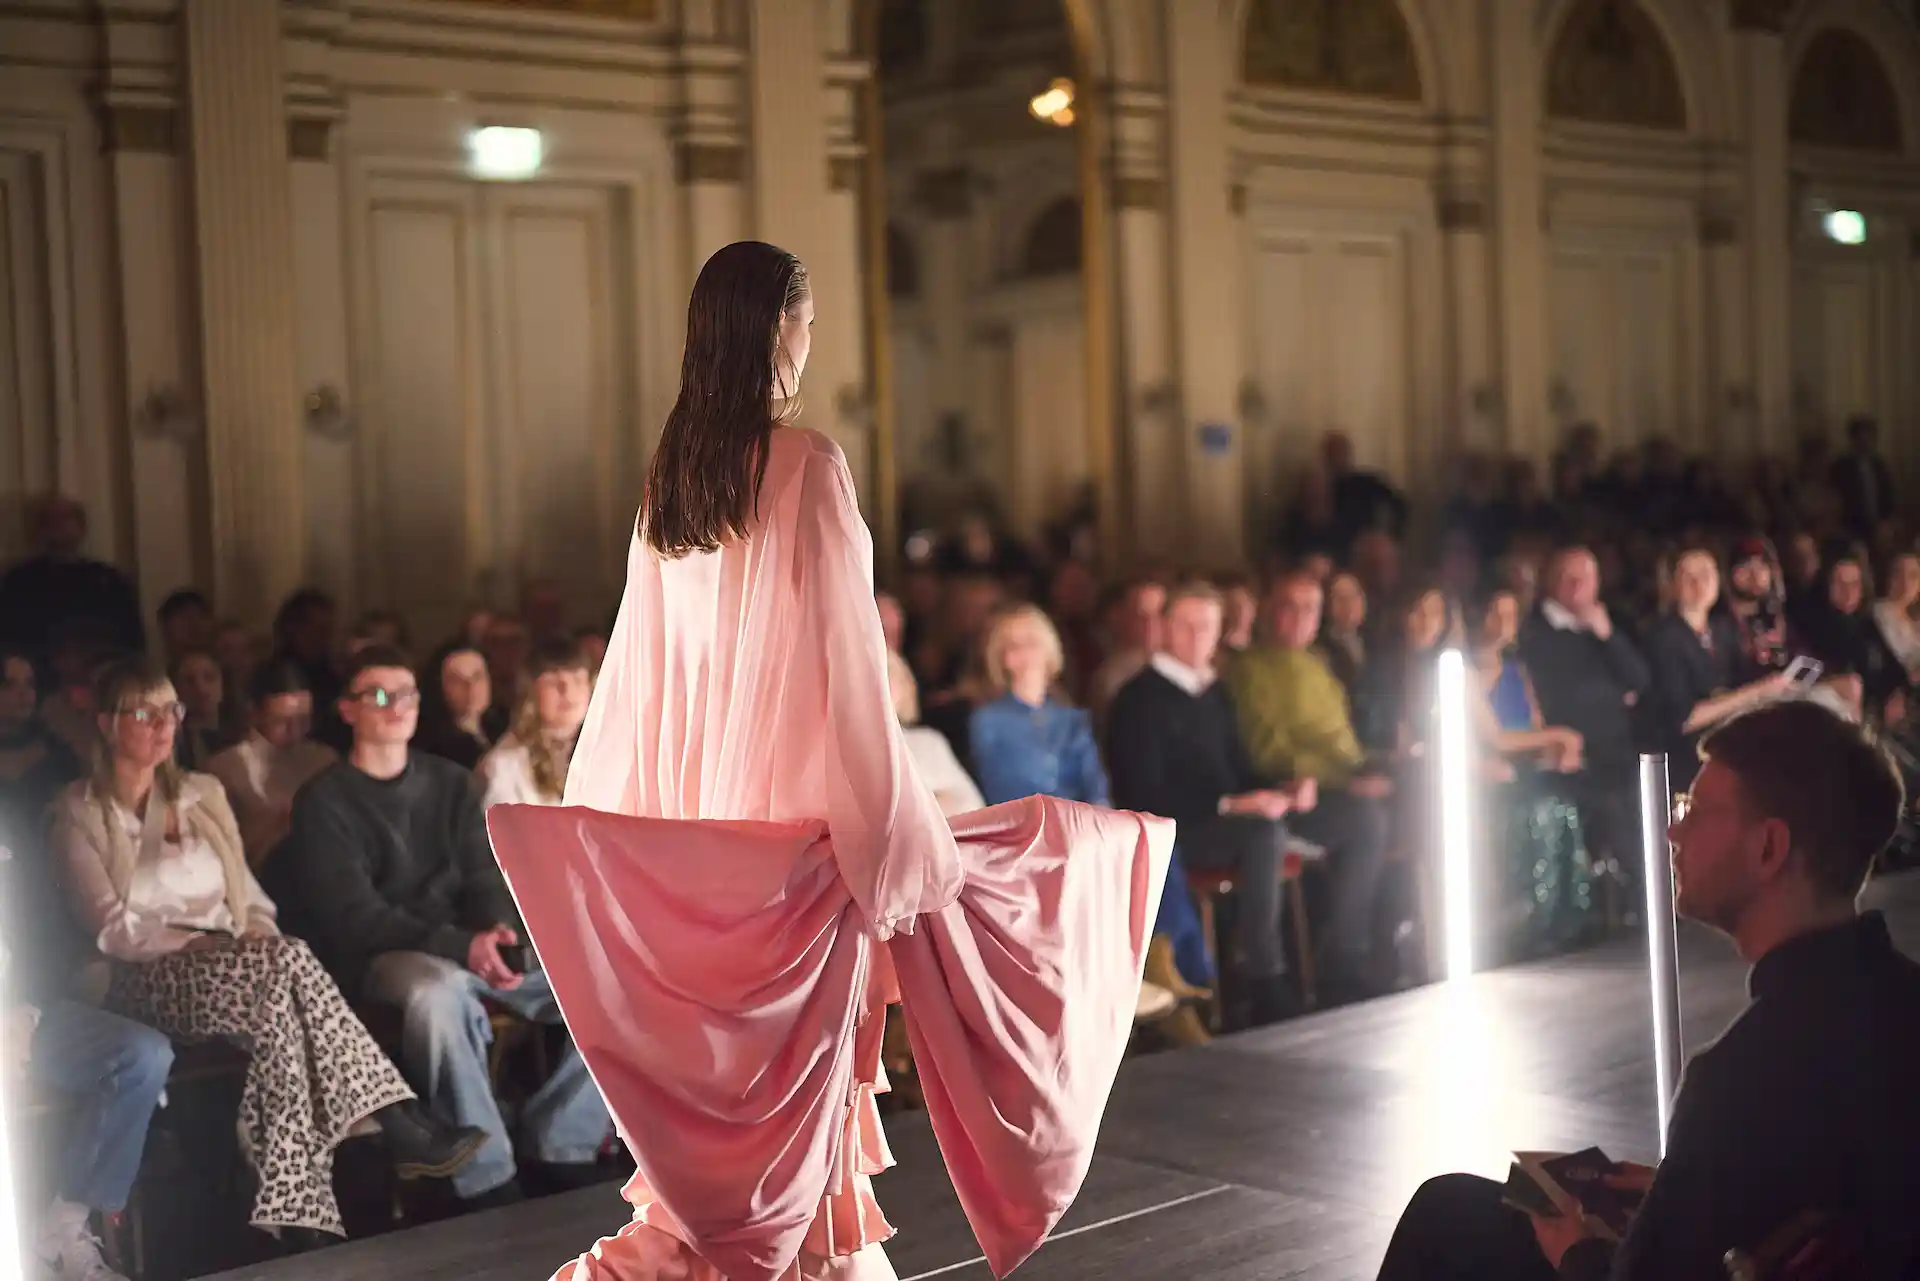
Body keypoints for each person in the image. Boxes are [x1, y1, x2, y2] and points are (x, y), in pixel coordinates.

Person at [484, 242, 1169, 1281]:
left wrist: (623, 833)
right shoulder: (807, 465)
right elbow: (850, 675)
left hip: (698, 844)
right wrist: (894, 846)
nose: (812, 339)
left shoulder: (672, 481)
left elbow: (640, 673)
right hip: (798, 856)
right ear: (778, 326)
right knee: (797, 1128)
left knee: (734, 1133)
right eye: (807, 319)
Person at [1376, 700, 1920, 1281]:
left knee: (1447, 1220)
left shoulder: (1738, 1078)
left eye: (1697, 810)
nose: (1671, 828)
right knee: (1457, 1204)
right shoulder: (1901, 1003)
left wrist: (1576, 1250)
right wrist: (1680, 1185)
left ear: (1769, 848)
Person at [53, 656, 486, 1244]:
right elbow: (110, 929)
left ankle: (299, 1212)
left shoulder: (202, 793)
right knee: (284, 970)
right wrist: (206, 946)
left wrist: (252, 932)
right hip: (143, 976)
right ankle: (388, 1119)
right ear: (107, 724)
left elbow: (249, 895)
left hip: (240, 968)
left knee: (283, 998)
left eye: (171, 711)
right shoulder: (79, 810)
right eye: (144, 712)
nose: (163, 725)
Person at [277, 646, 613, 1209]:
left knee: (608, 983)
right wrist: (464, 945)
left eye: (406, 693)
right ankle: (487, 1174)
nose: (396, 706)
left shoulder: (451, 782)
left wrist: (498, 933)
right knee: (439, 994)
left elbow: (485, 874)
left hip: (466, 942)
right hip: (389, 953)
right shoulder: (325, 800)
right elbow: (355, 917)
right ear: (347, 710)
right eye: (378, 696)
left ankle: (561, 1138)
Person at [1108, 583, 1302, 1027]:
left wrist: (1281, 790)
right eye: (1186, 625)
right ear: (1165, 629)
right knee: (1264, 835)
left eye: (1207, 626)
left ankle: (1256, 967)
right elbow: (1144, 793)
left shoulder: (1216, 693)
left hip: (1225, 822)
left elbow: (1239, 767)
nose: (1197, 636)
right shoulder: (1137, 699)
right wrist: (1233, 804)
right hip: (1172, 833)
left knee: (1280, 826)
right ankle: (1262, 975)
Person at [1642, 549, 1790, 790]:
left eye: (1706, 574)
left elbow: (1740, 682)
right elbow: (1684, 719)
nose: (1698, 583)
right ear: (1673, 584)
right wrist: (1758, 692)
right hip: (1689, 755)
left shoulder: (1723, 629)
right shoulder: (1663, 637)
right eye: (1688, 575)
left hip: (1730, 737)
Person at [968, 604, 1107, 808]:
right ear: (1001, 657)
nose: (1025, 654)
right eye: (1014, 646)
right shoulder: (988, 720)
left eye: (1032, 643)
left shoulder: (1072, 720)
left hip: (1079, 827)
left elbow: (1095, 785)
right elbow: (998, 788)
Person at [203, 661, 336, 866]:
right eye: (281, 721)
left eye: (303, 720)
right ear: (255, 714)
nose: (295, 731)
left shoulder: (325, 759)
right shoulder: (226, 767)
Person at [477, 639, 594, 808]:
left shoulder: (606, 752)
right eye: (553, 682)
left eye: (577, 679)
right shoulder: (505, 765)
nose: (567, 691)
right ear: (531, 692)